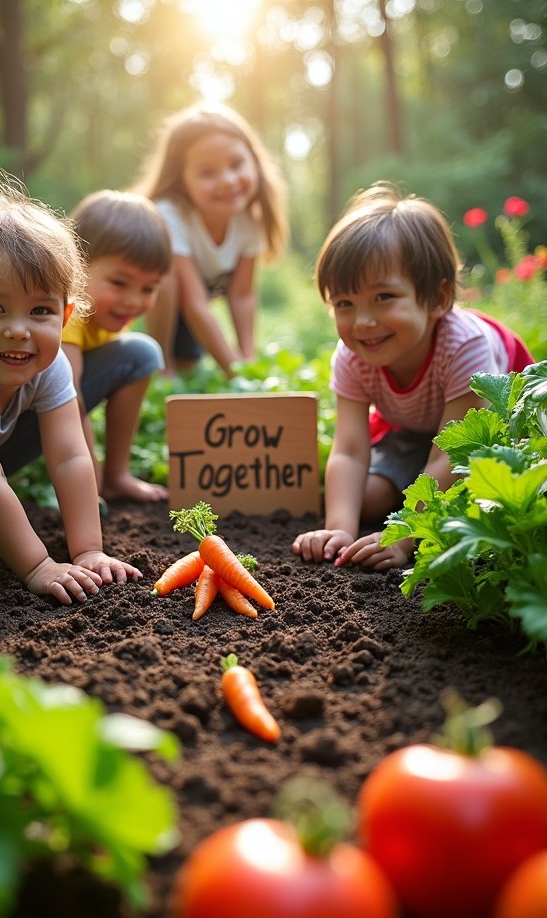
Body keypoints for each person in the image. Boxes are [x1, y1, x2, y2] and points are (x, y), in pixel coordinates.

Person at [0, 176, 143, 604]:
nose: (19, 330)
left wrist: (89, 550)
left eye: (39, 310)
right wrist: (38, 565)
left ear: (64, 316)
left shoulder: (47, 362)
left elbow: (70, 457)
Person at [292, 182, 534, 571]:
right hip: (415, 430)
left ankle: (426, 512)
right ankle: (409, 495)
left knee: (487, 504)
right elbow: (350, 449)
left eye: (383, 297)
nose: (363, 321)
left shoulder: (464, 345)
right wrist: (338, 528)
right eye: (345, 303)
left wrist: (404, 536)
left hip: (489, 439)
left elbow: (453, 454)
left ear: (438, 299)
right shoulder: (353, 354)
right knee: (367, 500)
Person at [133, 101, 288, 378]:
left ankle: (181, 363)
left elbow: (242, 295)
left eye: (236, 164)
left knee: (191, 369)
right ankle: (161, 367)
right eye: (207, 173)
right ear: (182, 180)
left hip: (195, 309)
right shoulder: (169, 214)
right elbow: (194, 305)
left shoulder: (248, 220)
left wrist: (247, 362)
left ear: (254, 160)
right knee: (166, 276)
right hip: (162, 308)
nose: (227, 180)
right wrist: (233, 372)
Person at [62, 189, 170, 503]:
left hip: (44, 418)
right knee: (140, 354)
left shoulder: (109, 313)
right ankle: (102, 481)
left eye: (148, 288)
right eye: (119, 283)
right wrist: (88, 482)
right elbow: (70, 400)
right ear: (76, 266)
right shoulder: (67, 314)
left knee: (140, 355)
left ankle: (117, 475)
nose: (134, 301)